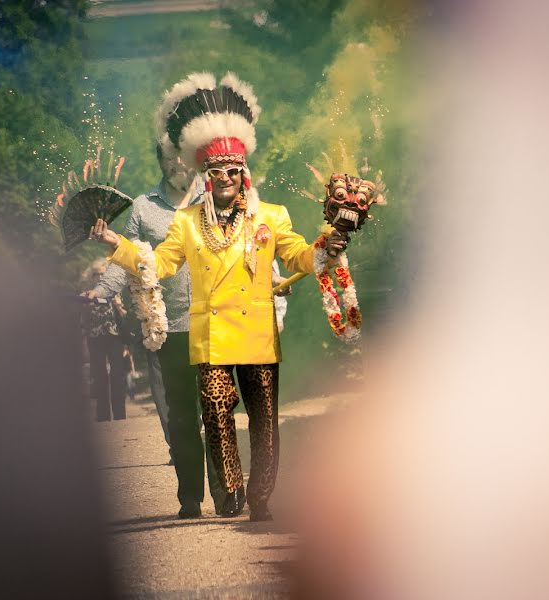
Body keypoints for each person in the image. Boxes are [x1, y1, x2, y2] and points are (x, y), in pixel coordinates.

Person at [90, 72, 348, 521]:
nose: (225, 178)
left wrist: (329, 244)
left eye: (232, 171)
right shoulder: (187, 222)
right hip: (208, 338)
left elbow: (298, 258)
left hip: (257, 336)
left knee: (264, 423)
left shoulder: (271, 215)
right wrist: (118, 244)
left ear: (243, 174)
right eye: (216, 172)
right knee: (215, 412)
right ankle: (230, 491)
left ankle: (262, 495)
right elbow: (159, 264)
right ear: (205, 177)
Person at [85, 143, 227, 518]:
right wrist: (101, 291)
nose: (176, 164)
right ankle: (190, 498)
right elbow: (128, 258)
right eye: (168, 158)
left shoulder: (218, 195)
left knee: (217, 412)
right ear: (162, 163)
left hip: (215, 324)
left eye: (181, 156)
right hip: (168, 326)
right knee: (180, 416)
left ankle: (225, 492)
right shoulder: (143, 207)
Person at [80, 259, 128, 421]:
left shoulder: (116, 291)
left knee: (117, 375)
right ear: (91, 276)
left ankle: (120, 415)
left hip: (115, 337)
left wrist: (118, 304)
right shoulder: (86, 294)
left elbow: (125, 318)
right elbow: (82, 321)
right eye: (96, 274)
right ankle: (102, 415)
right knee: (99, 376)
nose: (100, 277)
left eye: (103, 274)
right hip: (95, 338)